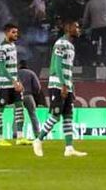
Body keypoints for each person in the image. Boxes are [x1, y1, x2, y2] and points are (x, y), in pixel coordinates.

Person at [33, 17, 88, 158]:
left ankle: (69, 148)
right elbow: (57, 65)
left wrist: (71, 87)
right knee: (56, 115)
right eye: (76, 26)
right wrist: (63, 84)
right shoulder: (60, 44)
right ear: (68, 28)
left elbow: (68, 69)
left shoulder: (71, 46)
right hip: (57, 85)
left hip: (66, 85)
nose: (78, 29)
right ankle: (38, 140)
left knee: (68, 116)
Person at [0, 23, 24, 146]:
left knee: (19, 108)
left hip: (14, 84)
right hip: (3, 85)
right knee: (0, 109)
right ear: (6, 33)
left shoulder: (13, 46)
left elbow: (14, 68)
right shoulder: (1, 48)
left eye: (16, 32)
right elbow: (2, 69)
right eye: (13, 32)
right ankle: (0, 138)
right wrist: (14, 81)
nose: (16, 34)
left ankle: (20, 137)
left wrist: (18, 81)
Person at [15, 61, 42, 145]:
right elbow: (38, 87)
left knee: (17, 115)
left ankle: (16, 134)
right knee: (33, 115)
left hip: (17, 97)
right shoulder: (31, 73)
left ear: (19, 66)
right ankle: (37, 134)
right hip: (28, 96)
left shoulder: (15, 74)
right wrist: (34, 94)